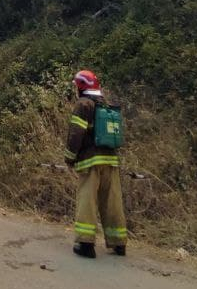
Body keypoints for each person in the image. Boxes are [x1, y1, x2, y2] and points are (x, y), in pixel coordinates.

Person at [64, 69, 127, 258]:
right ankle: (118, 243)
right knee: (112, 202)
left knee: (87, 201)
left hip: (91, 161)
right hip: (111, 160)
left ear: (80, 87)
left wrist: (69, 157)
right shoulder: (105, 104)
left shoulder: (83, 105)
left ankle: (85, 244)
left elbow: (76, 133)